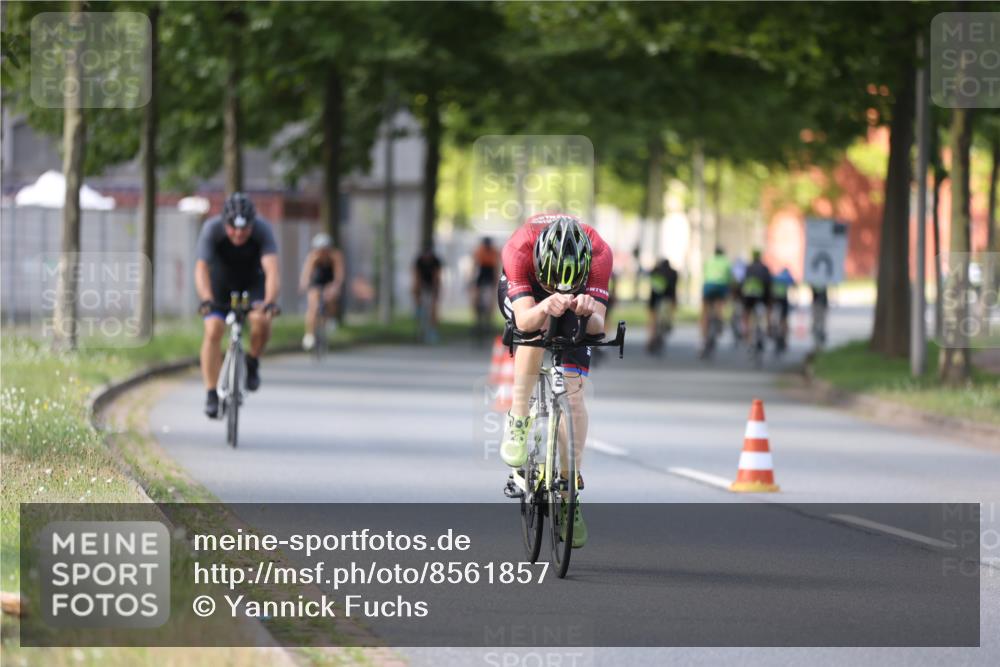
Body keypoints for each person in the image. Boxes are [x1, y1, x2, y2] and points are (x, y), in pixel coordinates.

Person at [497, 213, 612, 549]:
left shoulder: (600, 254)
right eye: (551, 282)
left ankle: (569, 488)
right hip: (526, 298)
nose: (556, 288)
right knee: (531, 333)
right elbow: (524, 318)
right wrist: (546, 301)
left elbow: (599, 328)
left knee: (574, 395)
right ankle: (519, 418)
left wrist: (588, 311)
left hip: (578, 299)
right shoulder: (518, 249)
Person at [195, 193, 280, 418]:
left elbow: (271, 269)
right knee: (213, 329)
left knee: (261, 321)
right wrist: (206, 298)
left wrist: (270, 301)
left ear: (252, 224)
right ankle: (211, 393)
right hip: (221, 284)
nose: (239, 233)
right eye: (233, 228)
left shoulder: (263, 230)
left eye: (245, 229)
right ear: (225, 223)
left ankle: (252, 361)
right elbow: (202, 268)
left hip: (252, 283)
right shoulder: (211, 229)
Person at [299, 232, 345, 350]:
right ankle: (309, 334)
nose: (323, 252)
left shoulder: (335, 256)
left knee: (331, 296)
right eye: (320, 249)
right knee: (313, 306)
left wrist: (336, 286)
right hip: (317, 281)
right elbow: (307, 272)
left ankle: (330, 317)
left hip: (329, 280)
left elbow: (339, 274)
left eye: (325, 249)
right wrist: (304, 284)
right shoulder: (313, 257)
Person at [701, 246, 731, 356]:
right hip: (721, 287)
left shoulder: (709, 260)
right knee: (720, 305)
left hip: (708, 286)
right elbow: (729, 278)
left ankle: (704, 336)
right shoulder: (726, 262)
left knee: (705, 312)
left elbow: (705, 274)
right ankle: (719, 320)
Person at [740, 249, 772, 347]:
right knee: (765, 312)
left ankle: (745, 330)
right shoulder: (765, 268)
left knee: (746, 313)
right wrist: (769, 299)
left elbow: (742, 282)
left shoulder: (748, 268)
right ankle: (766, 328)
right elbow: (768, 283)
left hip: (748, 295)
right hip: (761, 296)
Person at [647, 257, 679, 354]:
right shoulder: (673, 273)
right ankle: (666, 327)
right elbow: (674, 289)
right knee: (666, 317)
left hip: (654, 299)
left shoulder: (655, 271)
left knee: (652, 319)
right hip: (668, 299)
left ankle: (651, 337)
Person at [413, 244, 443, 342]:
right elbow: (416, 276)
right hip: (422, 282)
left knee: (433, 307)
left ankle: (433, 330)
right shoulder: (419, 261)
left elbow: (437, 277)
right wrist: (417, 293)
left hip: (432, 283)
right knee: (419, 299)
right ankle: (419, 313)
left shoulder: (436, 261)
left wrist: (436, 291)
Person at [470, 237, 500, 330]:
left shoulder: (494, 252)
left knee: (490, 299)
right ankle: (477, 321)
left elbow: (496, 267)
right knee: (476, 298)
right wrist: (473, 279)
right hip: (481, 274)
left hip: (489, 275)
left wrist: (495, 280)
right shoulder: (479, 251)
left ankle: (488, 322)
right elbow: (475, 265)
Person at [771, 268, 796, 352]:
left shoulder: (777, 277)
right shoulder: (787, 276)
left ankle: (775, 331)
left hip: (775, 300)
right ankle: (784, 336)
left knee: (775, 318)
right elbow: (793, 285)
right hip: (783, 300)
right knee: (784, 320)